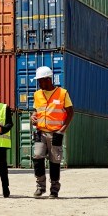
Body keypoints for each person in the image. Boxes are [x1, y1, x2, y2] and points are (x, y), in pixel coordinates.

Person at [30, 66, 75, 199]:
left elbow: (71, 113)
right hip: (40, 132)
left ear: (48, 80)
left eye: (41, 81)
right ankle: (40, 186)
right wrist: (33, 117)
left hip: (56, 133)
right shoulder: (37, 94)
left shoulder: (62, 93)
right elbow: (35, 110)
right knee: (37, 157)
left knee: (55, 161)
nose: (39, 83)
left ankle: (54, 189)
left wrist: (62, 130)